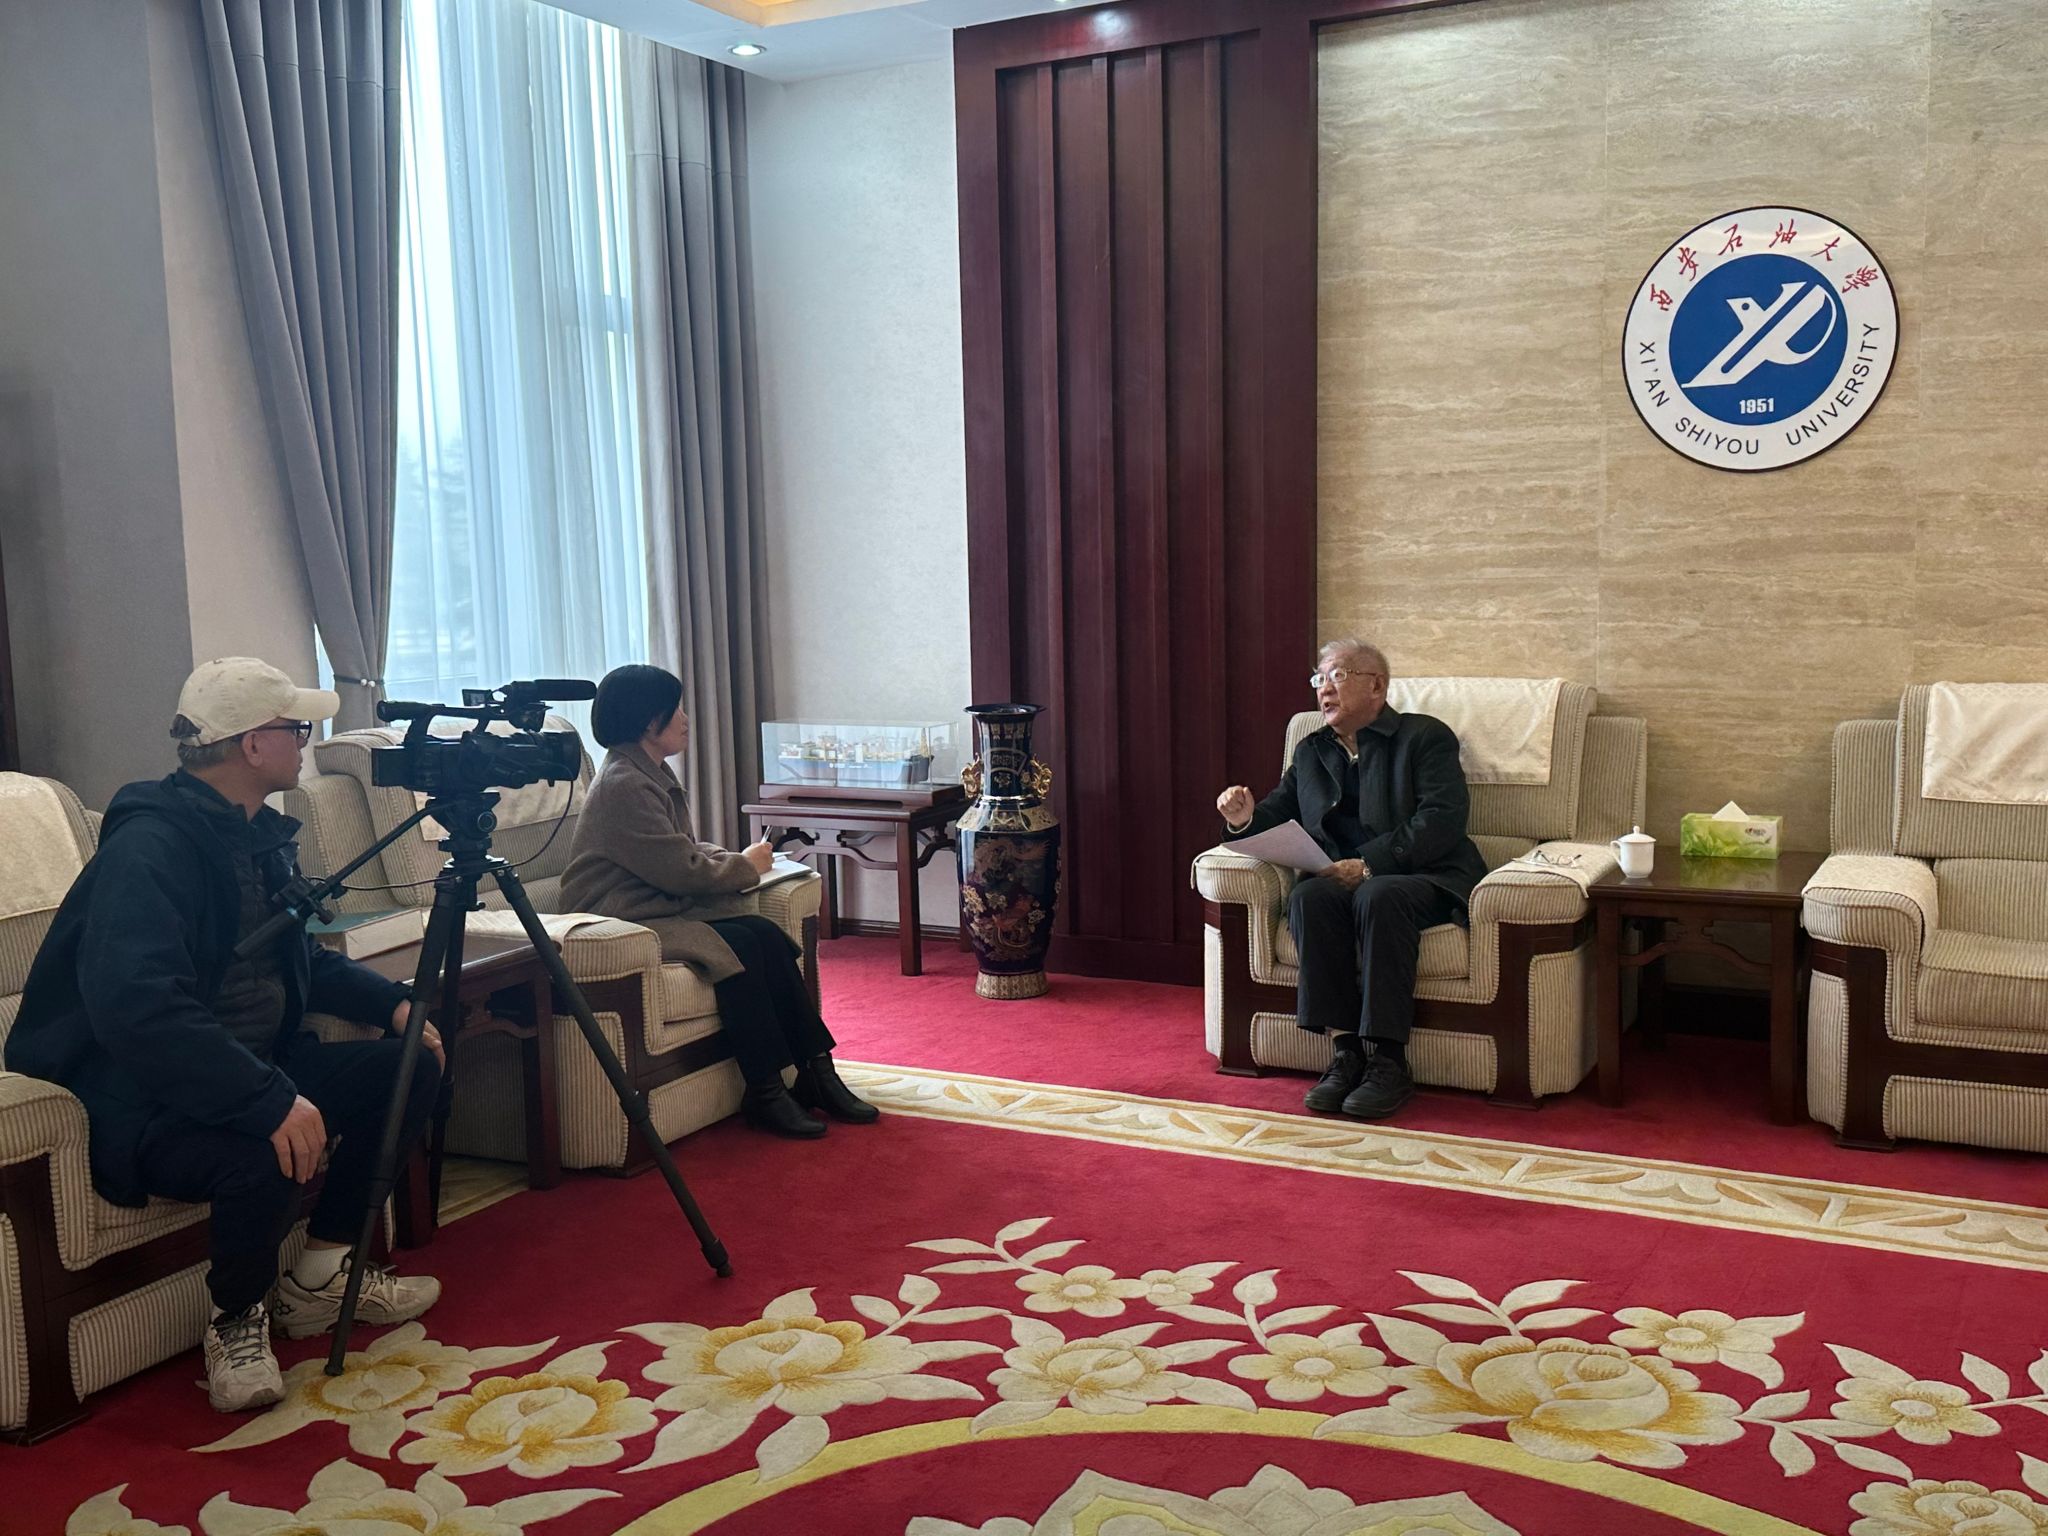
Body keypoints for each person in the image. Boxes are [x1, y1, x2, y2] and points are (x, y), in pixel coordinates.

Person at [6, 658, 446, 1414]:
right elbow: (139, 1009)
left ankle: (321, 1275)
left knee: (409, 1067)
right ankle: (236, 1321)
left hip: (251, 1063)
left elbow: (296, 953)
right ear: (251, 745)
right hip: (146, 1099)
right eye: (295, 729)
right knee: (261, 1144)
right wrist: (266, 1098)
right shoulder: (149, 851)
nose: (304, 743)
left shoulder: (254, 836)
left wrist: (392, 1004)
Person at [559, 664, 878, 1139]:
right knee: (741, 946)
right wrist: (746, 867)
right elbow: (682, 870)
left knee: (763, 933)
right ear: (650, 721)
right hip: (622, 918)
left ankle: (817, 1070)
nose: (686, 719)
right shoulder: (624, 784)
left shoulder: (645, 771)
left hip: (657, 904)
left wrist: (736, 860)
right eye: (677, 709)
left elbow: (678, 849)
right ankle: (765, 1092)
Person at [1214, 639, 1485, 1120]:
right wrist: (1243, 818)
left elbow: (1442, 819)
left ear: (1376, 685)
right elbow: (1278, 814)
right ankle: (1346, 1054)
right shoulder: (1312, 750)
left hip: (1425, 875)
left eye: (1337, 676)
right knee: (1309, 897)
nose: (1324, 689)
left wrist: (1369, 864)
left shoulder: (1424, 737)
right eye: (1319, 679)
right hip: (1342, 880)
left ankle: (1389, 1060)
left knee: (1378, 894)